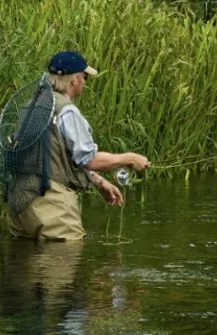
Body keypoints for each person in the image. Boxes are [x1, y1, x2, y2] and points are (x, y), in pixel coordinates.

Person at [8, 50, 150, 240]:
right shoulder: (67, 111)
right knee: (66, 257)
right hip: (50, 204)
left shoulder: (32, 105)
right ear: (74, 80)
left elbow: (56, 157)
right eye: (85, 77)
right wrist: (130, 159)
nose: (85, 82)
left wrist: (99, 182)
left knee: (24, 263)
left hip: (18, 202)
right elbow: (89, 159)